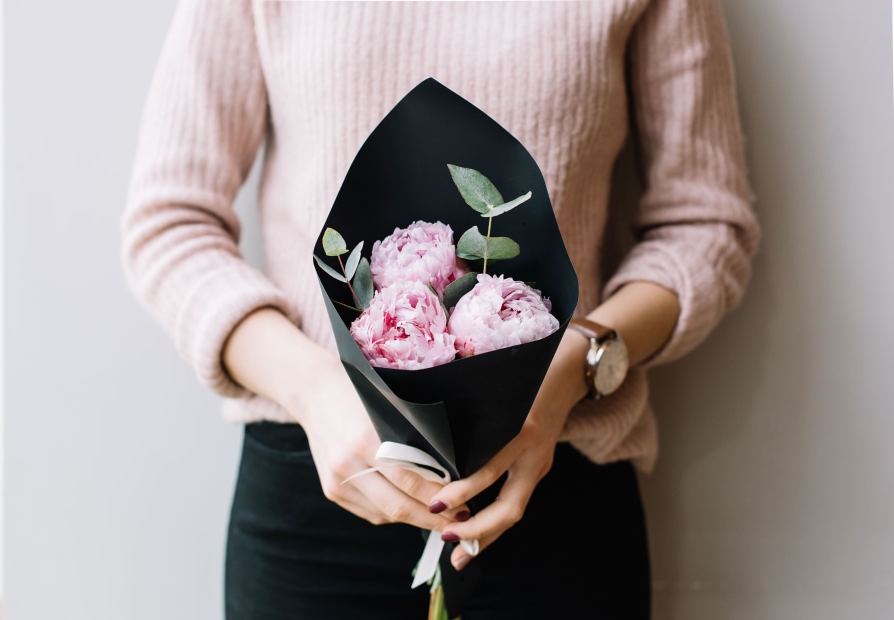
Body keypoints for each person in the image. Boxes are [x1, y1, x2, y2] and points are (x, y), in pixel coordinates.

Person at [121, 0, 760, 618]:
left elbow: (704, 227)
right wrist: (316, 391)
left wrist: (577, 362)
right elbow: (171, 223)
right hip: (317, 493)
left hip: (556, 490)